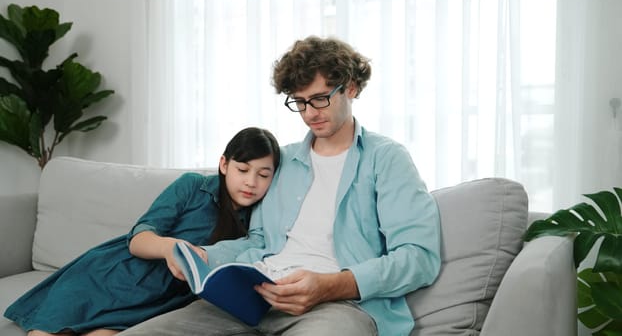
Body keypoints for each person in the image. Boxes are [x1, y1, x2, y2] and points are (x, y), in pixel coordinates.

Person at [119, 36, 441, 336]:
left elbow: (419, 258)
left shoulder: (386, 159)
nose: (310, 113)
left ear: (352, 88)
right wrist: (204, 256)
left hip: (339, 306)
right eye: (299, 102)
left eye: (320, 99)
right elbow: (258, 240)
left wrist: (330, 286)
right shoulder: (282, 162)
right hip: (252, 297)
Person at [3, 127, 281, 336]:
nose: (251, 182)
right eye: (243, 169)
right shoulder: (193, 186)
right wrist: (170, 248)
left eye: (263, 175)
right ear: (224, 164)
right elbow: (139, 238)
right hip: (113, 275)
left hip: (159, 300)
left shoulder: (260, 219)